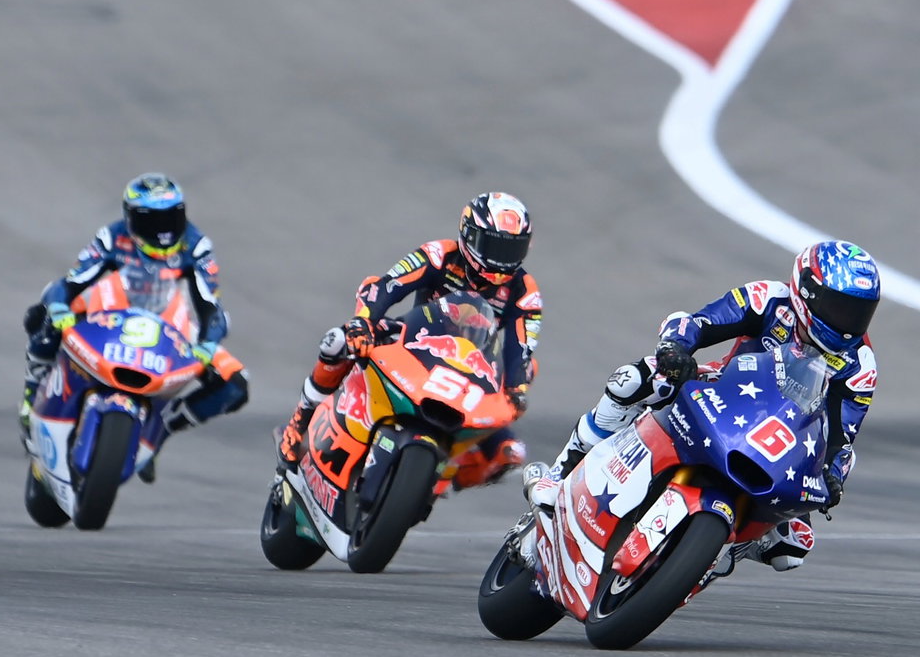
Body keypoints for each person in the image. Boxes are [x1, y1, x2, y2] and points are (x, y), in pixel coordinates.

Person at [528, 239, 880, 571]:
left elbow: (841, 436)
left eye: (859, 313)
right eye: (840, 307)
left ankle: (722, 550)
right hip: (723, 391)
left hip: (783, 441)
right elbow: (698, 321)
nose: (848, 323)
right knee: (636, 378)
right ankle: (562, 473)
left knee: (793, 547)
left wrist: (832, 476)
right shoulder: (769, 299)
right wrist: (676, 348)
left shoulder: (860, 364)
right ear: (807, 291)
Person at [276, 192, 542, 491]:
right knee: (337, 342)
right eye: (494, 247)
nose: (501, 260)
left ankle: (442, 474)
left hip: (474, 365)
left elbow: (520, 349)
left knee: (510, 449)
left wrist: (516, 388)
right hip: (415, 338)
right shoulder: (439, 254)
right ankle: (299, 423)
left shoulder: (524, 291)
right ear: (469, 235)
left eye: (511, 249)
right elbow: (386, 286)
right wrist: (364, 321)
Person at [20, 173, 249, 480]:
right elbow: (72, 281)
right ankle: (32, 393)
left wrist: (208, 342)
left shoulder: (196, 246)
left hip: (173, 327)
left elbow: (211, 304)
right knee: (41, 314)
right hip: (110, 313)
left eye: (170, 218)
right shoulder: (112, 237)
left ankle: (162, 429)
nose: (163, 231)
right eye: (151, 221)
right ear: (131, 219)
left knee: (235, 384)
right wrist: (60, 307)